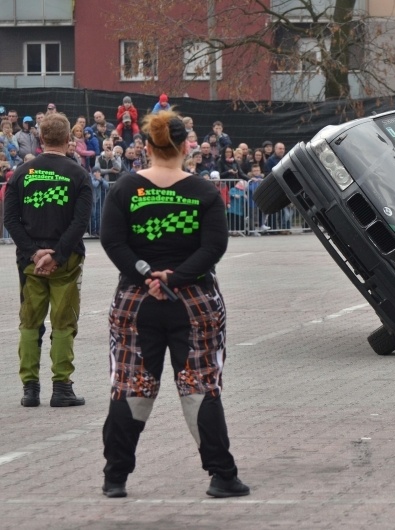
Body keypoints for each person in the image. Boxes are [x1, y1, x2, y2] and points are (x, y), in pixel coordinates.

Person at [99, 110, 249, 499]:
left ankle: (115, 477)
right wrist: (175, 277)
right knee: (200, 386)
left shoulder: (125, 189)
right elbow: (214, 247)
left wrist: (146, 275)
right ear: (186, 147)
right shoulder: (202, 191)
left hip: (136, 300)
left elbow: (113, 242)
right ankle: (221, 475)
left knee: (130, 384)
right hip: (194, 301)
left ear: (146, 147)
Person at [2, 112, 93, 408]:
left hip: (30, 262)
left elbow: (10, 219)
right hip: (66, 261)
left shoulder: (21, 173)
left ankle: (30, 389)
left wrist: (34, 252)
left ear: (41, 139)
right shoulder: (78, 175)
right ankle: (61, 387)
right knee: (64, 323)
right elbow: (81, 222)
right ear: (69, 140)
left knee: (30, 323)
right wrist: (58, 253)